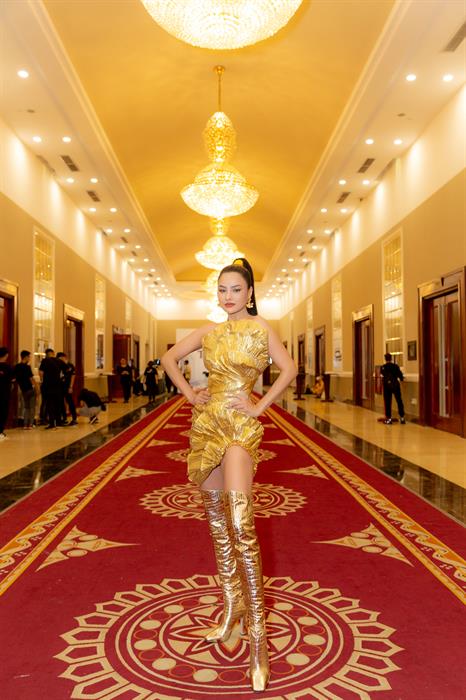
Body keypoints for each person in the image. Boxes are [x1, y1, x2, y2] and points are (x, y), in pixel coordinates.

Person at [161, 257, 297, 692]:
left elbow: (290, 369)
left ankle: (259, 641)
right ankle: (231, 610)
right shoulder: (209, 331)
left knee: (241, 525)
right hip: (206, 425)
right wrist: (189, 393)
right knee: (218, 527)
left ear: (250, 293)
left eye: (236, 289)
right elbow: (168, 358)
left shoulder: (261, 329)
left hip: (239, 426)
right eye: (222, 290)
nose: (228, 296)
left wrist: (259, 406)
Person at [39, 348, 63, 429]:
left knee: (49, 404)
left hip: (48, 386)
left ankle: (51, 422)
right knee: (57, 404)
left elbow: (41, 372)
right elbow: (67, 369)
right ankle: (58, 422)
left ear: (46, 354)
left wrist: (42, 380)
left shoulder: (45, 361)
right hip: (57, 386)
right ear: (53, 353)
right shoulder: (58, 361)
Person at [381, 352, 405, 424]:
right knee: (399, 401)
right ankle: (402, 418)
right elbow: (400, 375)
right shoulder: (395, 366)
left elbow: (383, 375)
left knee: (388, 402)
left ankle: (389, 419)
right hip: (395, 385)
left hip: (387, 387)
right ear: (391, 359)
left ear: (385, 359)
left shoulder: (383, 367)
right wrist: (401, 379)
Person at [14, 350, 36, 429]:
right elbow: (31, 378)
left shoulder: (16, 367)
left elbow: (15, 378)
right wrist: (37, 387)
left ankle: (25, 424)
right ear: (26, 357)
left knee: (26, 407)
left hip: (23, 390)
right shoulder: (27, 367)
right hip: (30, 389)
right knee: (32, 407)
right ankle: (31, 424)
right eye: (29, 357)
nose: (29, 358)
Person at [56, 352, 78, 426]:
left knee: (70, 401)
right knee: (61, 402)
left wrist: (71, 386)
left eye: (60, 359)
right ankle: (64, 418)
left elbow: (73, 376)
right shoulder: (58, 364)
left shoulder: (70, 365)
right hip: (59, 386)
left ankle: (74, 418)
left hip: (67, 386)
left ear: (63, 357)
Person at [0, 347, 13, 440]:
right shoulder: (8, 367)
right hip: (4, 393)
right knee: (3, 412)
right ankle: (0, 431)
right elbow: (13, 379)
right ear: (6, 355)